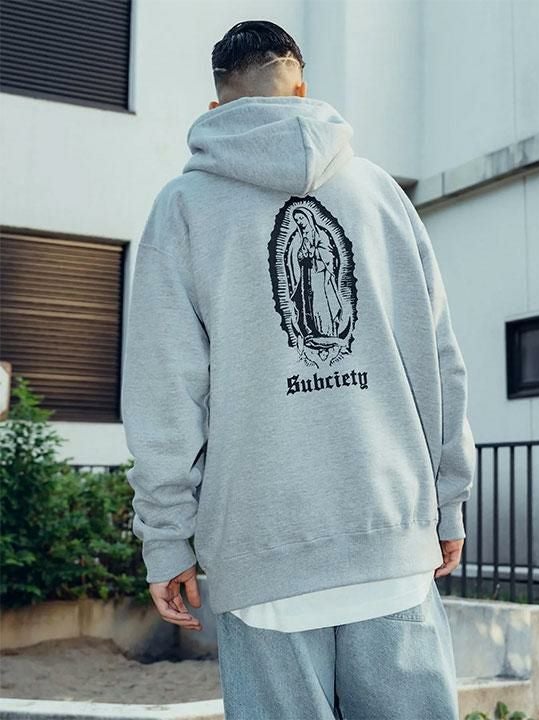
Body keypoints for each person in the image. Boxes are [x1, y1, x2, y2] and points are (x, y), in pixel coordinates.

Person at [121, 19, 476, 720]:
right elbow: (440, 361)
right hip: (390, 541)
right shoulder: (382, 196)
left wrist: (166, 540)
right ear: (302, 90)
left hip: (263, 554)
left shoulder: (182, 210)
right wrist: (449, 496)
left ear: (218, 107)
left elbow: (165, 394)